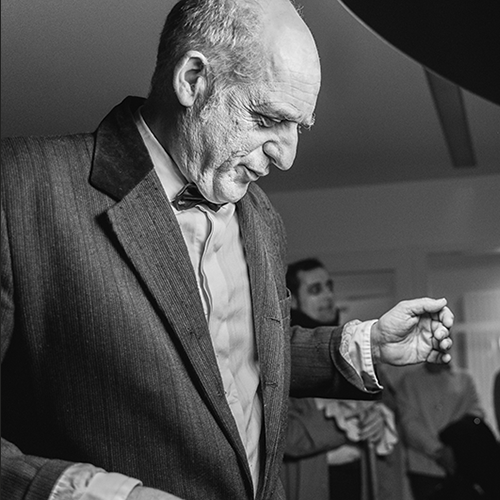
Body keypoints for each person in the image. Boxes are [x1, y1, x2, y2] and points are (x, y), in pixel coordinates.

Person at [1, 1, 454, 499]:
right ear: (192, 80)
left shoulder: (261, 217)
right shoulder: (19, 186)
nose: (286, 157)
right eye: (266, 118)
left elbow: (243, 355)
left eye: (298, 127)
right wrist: (94, 493)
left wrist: (366, 344)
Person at [281, 258, 405, 500]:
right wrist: (350, 424)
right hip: (310, 484)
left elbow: (391, 406)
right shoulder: (283, 354)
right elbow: (282, 435)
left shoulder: (355, 347)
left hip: (363, 481)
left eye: (329, 286)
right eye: (315, 290)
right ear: (293, 300)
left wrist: (382, 418)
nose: (328, 296)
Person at [395, 361, 484, 500]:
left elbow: (475, 415)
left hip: (460, 467)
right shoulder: (409, 381)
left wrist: (455, 448)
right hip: (424, 469)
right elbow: (409, 423)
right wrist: (438, 450)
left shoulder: (465, 379)